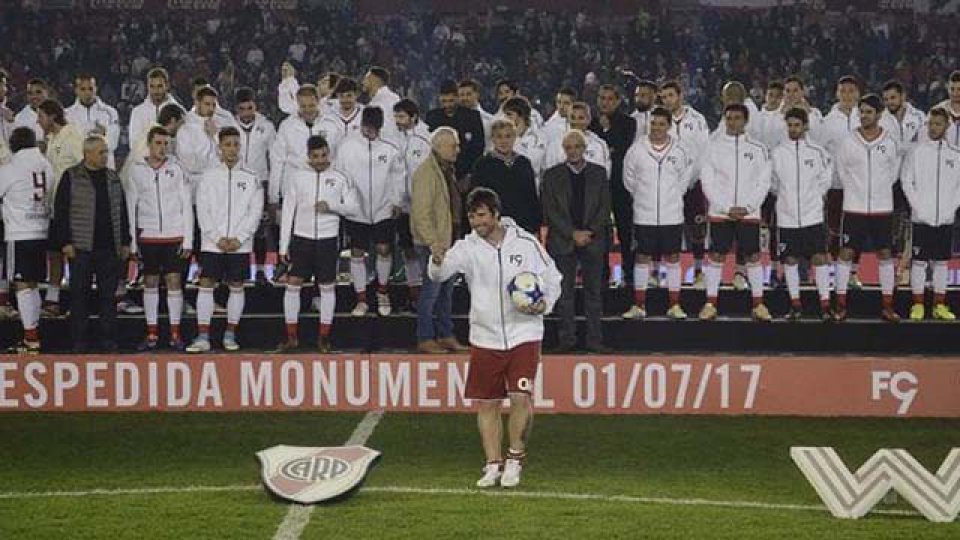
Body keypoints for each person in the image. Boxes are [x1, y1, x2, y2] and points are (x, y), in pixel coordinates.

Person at [428, 187, 561, 489]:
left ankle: (515, 457)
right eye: (472, 216)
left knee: (519, 397)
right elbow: (440, 273)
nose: (477, 222)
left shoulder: (526, 242)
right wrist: (436, 260)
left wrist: (545, 303)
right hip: (485, 337)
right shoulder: (467, 247)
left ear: (496, 214)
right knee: (487, 404)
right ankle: (492, 464)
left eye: (482, 215)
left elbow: (553, 277)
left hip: (525, 333)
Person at [274, 135, 359, 352]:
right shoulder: (297, 177)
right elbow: (288, 213)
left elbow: (352, 207)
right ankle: (291, 336)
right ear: (308, 156)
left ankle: (324, 337)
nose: (320, 160)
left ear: (328, 153)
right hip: (302, 240)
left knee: (327, 288)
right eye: (315, 156)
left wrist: (331, 206)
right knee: (292, 286)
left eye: (323, 155)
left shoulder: (341, 177)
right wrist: (283, 247)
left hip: (328, 240)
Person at [50, 135, 131, 352]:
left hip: (108, 248)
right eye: (101, 152)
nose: (105, 156)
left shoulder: (113, 178)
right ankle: (79, 340)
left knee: (108, 298)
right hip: (81, 248)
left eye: (106, 152)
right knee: (79, 296)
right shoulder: (71, 176)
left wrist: (125, 241)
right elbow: (61, 211)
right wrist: (65, 241)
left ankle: (108, 340)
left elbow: (122, 211)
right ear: (87, 154)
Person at [187, 127, 263, 353]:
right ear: (219, 147)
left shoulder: (252, 177)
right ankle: (203, 336)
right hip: (213, 244)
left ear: (240, 147)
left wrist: (239, 238)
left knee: (237, 286)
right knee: (206, 284)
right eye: (227, 144)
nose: (232, 149)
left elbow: (255, 211)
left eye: (236, 144)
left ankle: (230, 335)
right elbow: (202, 209)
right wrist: (216, 237)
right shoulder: (209, 176)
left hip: (240, 245)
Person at [699, 103, 773, 321]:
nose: (733, 122)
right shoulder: (713, 147)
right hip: (721, 212)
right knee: (716, 255)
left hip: (749, 213)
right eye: (729, 118)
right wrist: (725, 207)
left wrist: (748, 207)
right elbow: (707, 180)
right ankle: (710, 303)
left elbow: (764, 182)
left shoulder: (759, 149)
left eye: (737, 118)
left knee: (753, 256)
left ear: (746, 121)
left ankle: (759, 304)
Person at [621, 107, 695, 320]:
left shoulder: (680, 151)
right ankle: (639, 305)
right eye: (653, 123)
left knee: (673, 257)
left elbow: (684, 179)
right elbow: (629, 180)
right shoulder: (636, 150)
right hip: (644, 214)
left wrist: (672, 197)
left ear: (669, 126)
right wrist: (644, 197)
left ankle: (674, 305)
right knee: (642, 257)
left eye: (662, 124)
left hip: (672, 214)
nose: (657, 128)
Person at [833, 94, 902, 322]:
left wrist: (879, 190)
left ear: (879, 115)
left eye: (869, 112)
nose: (864, 116)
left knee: (885, 253)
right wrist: (855, 191)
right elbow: (842, 171)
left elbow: (893, 172)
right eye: (861, 112)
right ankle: (841, 305)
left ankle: (888, 306)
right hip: (854, 207)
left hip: (882, 207)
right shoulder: (849, 141)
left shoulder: (890, 142)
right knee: (846, 253)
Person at [542, 130, 611, 351]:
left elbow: (605, 207)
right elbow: (550, 211)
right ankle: (566, 341)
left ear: (584, 149)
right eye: (568, 148)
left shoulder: (599, 174)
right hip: (563, 241)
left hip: (594, 240)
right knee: (564, 294)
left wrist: (588, 232)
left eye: (577, 147)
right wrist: (572, 234)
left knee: (594, 294)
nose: (572, 151)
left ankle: (595, 341)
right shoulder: (552, 176)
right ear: (564, 150)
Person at [126, 127, 192, 351]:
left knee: (174, 281)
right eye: (158, 143)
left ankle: (175, 334)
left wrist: (188, 239)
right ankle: (152, 333)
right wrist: (133, 242)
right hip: (149, 235)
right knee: (150, 281)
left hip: (174, 234)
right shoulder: (136, 170)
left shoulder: (177, 169)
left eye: (166, 143)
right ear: (149, 143)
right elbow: (130, 208)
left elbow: (186, 206)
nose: (163, 148)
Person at [336, 106, 405, 317]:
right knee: (357, 252)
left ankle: (382, 292)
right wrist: (346, 203)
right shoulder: (346, 148)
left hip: (383, 208)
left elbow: (398, 176)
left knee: (384, 249)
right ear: (362, 125)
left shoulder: (390, 149)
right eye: (367, 128)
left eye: (374, 129)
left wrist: (396, 201)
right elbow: (341, 177)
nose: (370, 132)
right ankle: (361, 299)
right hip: (357, 210)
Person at [770, 108, 834, 321]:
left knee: (819, 258)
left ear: (806, 126)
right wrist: (785, 197)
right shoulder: (777, 152)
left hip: (812, 215)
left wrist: (815, 195)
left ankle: (825, 305)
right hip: (787, 216)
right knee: (789, 259)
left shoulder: (818, 152)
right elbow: (772, 182)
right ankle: (795, 305)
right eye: (790, 125)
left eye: (797, 125)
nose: (793, 129)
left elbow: (826, 178)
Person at [410, 127, 468, 354]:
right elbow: (421, 213)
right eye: (453, 145)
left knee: (446, 293)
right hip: (433, 244)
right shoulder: (426, 173)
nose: (457, 149)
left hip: (447, 241)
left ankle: (445, 335)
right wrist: (433, 243)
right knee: (431, 292)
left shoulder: (445, 169)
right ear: (439, 146)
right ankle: (425, 337)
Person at [901, 108, 960, 321]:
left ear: (946, 127)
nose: (934, 127)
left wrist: (951, 207)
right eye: (931, 124)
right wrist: (918, 207)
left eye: (938, 124)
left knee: (942, 262)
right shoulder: (916, 152)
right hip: (921, 217)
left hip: (945, 217)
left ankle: (939, 305)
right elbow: (906, 181)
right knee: (919, 261)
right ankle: (917, 304)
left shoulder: (955, 154)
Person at [0, 127, 54, 353]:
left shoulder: (10, 169)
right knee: (32, 284)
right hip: (42, 230)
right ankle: (33, 333)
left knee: (22, 285)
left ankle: (30, 338)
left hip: (19, 232)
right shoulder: (46, 165)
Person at [661, 80, 710, 289]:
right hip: (668, 183)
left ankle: (699, 271)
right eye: (663, 97)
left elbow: (703, 151)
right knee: (666, 228)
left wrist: (692, 177)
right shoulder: (659, 120)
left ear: (680, 96)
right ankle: (658, 271)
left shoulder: (697, 119)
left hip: (693, 182)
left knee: (697, 227)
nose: (667, 100)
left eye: (670, 95)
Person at [38, 98, 84, 319]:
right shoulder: (51, 139)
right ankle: (53, 299)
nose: (38, 121)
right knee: (54, 252)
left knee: (73, 255)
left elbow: (82, 166)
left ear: (52, 116)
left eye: (41, 116)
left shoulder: (71, 136)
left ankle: (77, 303)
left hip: (72, 207)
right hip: (55, 207)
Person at [590, 84, 637, 287]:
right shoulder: (590, 123)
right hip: (596, 188)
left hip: (621, 185)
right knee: (599, 232)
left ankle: (629, 273)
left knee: (625, 231)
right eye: (602, 98)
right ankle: (601, 273)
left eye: (610, 98)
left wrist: (607, 131)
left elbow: (621, 147)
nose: (605, 102)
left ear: (618, 101)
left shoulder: (628, 123)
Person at [234, 86, 277, 287]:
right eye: (242, 109)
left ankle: (260, 271)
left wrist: (272, 189)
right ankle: (238, 271)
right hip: (236, 183)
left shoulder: (267, 127)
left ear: (255, 106)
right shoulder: (230, 126)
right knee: (238, 226)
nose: (247, 113)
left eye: (250, 108)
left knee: (260, 228)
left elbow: (274, 158)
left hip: (260, 182)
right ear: (237, 109)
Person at [469, 119, 541, 235]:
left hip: (524, 228)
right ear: (492, 139)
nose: (504, 141)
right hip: (494, 228)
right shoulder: (482, 165)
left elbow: (532, 198)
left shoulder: (523, 163)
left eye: (508, 136)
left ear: (514, 137)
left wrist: (535, 227)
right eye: (499, 136)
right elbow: (477, 201)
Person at [394, 98, 432, 312]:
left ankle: (428, 294)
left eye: (401, 117)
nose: (397, 121)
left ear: (414, 117)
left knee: (424, 249)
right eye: (396, 117)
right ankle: (414, 294)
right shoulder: (393, 138)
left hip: (422, 205)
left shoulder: (427, 138)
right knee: (407, 249)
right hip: (403, 205)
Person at [424, 80, 485, 180]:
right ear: (439, 98)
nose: (448, 105)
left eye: (451, 101)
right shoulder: (432, 117)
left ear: (457, 98)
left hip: (465, 174)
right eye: (444, 101)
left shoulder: (472, 116)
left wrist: (469, 175)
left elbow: (478, 147)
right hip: (438, 173)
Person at [65, 73, 120, 169]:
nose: (87, 93)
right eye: (83, 89)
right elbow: (68, 144)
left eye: (90, 89)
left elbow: (114, 143)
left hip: (106, 168)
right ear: (76, 90)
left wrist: (105, 133)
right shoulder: (67, 115)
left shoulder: (110, 112)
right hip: (79, 169)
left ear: (96, 89)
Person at [128, 67, 181, 150]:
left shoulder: (179, 111)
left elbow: (183, 143)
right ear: (147, 87)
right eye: (152, 86)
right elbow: (134, 144)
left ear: (167, 86)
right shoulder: (138, 112)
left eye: (159, 86)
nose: (156, 91)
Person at [501, 97, 547, 190]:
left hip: (532, 189)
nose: (505, 118)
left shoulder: (539, 138)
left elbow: (537, 166)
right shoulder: (503, 137)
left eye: (509, 114)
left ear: (521, 115)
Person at [363, 66, 401, 146]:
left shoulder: (381, 101)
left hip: (383, 146)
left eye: (366, 78)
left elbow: (385, 128)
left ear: (374, 80)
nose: (363, 82)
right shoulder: (394, 97)